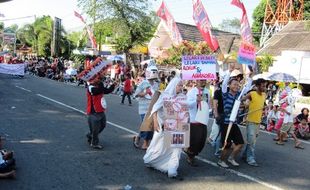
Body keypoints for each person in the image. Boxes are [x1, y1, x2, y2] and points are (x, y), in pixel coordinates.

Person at [143, 77, 185, 179]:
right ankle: (152, 161)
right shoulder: (165, 96)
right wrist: (156, 122)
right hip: (162, 127)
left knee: (177, 148)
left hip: (177, 127)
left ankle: (172, 169)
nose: (181, 88)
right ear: (174, 85)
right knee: (159, 148)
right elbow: (155, 108)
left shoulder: (182, 97)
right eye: (179, 85)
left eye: (182, 86)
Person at [133, 62, 159, 150]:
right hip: (144, 108)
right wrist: (144, 93)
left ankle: (138, 137)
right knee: (147, 125)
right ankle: (145, 143)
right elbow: (135, 94)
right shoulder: (143, 83)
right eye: (153, 72)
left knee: (149, 125)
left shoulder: (156, 84)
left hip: (153, 108)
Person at [86, 74, 115, 150]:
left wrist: (113, 85)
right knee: (95, 129)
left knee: (103, 125)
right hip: (93, 112)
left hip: (101, 110)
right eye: (97, 78)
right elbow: (98, 91)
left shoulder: (99, 86)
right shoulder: (90, 87)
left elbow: (107, 91)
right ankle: (94, 143)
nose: (99, 80)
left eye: (99, 79)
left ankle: (90, 135)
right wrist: (100, 83)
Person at [184, 80, 209, 166]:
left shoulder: (207, 91)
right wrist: (196, 101)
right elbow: (186, 105)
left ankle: (190, 152)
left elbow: (207, 104)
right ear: (196, 81)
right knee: (195, 141)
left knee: (202, 141)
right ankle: (190, 157)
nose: (203, 82)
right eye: (200, 81)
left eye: (204, 80)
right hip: (194, 120)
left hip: (203, 120)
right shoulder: (191, 92)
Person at [243, 78, 267, 167]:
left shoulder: (264, 95)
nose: (265, 88)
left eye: (265, 86)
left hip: (258, 122)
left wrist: (266, 107)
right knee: (252, 142)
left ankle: (245, 155)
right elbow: (242, 100)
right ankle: (250, 158)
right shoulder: (251, 94)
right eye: (263, 86)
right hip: (251, 122)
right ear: (257, 86)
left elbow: (262, 104)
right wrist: (246, 103)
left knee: (251, 141)